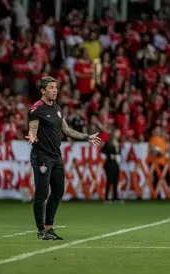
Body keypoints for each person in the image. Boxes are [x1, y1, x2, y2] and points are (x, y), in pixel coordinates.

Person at [25, 76, 101, 240]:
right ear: (43, 91)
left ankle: (49, 228)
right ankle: (40, 231)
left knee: (58, 191)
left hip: (56, 156)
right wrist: (32, 136)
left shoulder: (57, 108)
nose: (55, 90)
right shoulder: (36, 109)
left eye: (56, 87)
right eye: (51, 87)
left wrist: (86, 137)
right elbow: (33, 128)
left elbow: (67, 131)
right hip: (42, 156)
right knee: (42, 193)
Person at [101, 128, 122, 204]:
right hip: (109, 163)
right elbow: (103, 151)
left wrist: (118, 156)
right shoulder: (108, 143)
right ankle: (106, 197)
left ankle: (115, 197)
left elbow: (119, 152)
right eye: (117, 133)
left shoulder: (117, 143)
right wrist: (110, 155)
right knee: (109, 180)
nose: (118, 134)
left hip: (116, 163)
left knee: (116, 180)